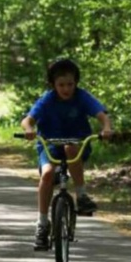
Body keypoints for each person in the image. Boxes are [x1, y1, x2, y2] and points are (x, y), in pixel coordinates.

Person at [21, 58, 114, 250]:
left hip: (78, 143)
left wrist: (106, 128)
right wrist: (29, 129)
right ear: (53, 85)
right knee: (47, 174)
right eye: (61, 85)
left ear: (76, 83)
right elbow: (28, 120)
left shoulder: (82, 97)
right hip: (50, 144)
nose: (66, 89)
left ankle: (81, 196)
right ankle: (42, 224)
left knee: (70, 148)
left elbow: (102, 115)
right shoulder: (47, 99)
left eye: (70, 84)